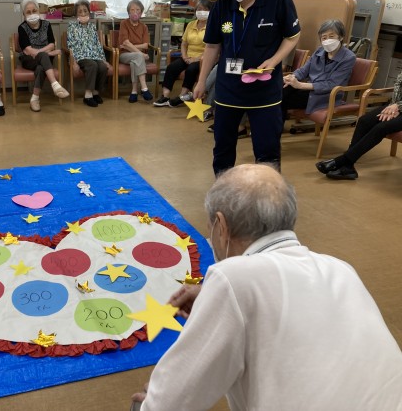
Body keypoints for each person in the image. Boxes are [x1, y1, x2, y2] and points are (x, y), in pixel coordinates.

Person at [132, 164, 402, 411]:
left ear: (221, 227)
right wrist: (217, 297)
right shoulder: (340, 268)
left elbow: (167, 403)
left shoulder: (232, 277)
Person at [193, 0, 301, 175]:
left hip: (265, 91)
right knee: (222, 147)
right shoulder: (222, 5)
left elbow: (292, 36)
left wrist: (274, 61)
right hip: (229, 88)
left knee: (267, 150)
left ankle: (268, 190)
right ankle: (224, 187)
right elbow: (212, 46)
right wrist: (201, 81)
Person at [316, 71, 402, 180]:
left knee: (381, 128)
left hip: (399, 106)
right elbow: (399, 84)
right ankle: (348, 166)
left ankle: (343, 161)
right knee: (364, 121)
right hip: (396, 106)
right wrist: (394, 105)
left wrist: (399, 106)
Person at [282, 19, 355, 123]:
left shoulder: (348, 57)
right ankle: (273, 128)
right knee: (281, 90)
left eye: (331, 36)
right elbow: (303, 70)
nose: (327, 40)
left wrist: (300, 85)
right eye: (324, 37)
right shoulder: (319, 50)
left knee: (281, 99)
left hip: (326, 95)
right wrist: (292, 77)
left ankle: (274, 129)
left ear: (341, 37)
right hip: (309, 89)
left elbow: (332, 84)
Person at [154, 0, 215, 108]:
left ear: (210, 11)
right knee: (171, 67)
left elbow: (211, 49)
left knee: (191, 70)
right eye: (199, 9)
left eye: (205, 9)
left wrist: (197, 59)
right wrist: (184, 56)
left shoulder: (212, 26)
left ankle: (181, 97)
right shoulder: (191, 24)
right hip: (188, 56)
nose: (201, 12)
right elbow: (184, 43)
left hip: (202, 59)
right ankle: (165, 96)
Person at [18, 0, 69, 112]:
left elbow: (52, 44)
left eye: (34, 11)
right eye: (28, 12)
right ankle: (55, 85)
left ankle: (34, 99)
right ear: (24, 15)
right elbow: (28, 50)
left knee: (41, 68)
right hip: (29, 59)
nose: (32, 14)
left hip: (43, 60)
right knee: (43, 57)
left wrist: (43, 52)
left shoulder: (46, 24)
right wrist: (49, 53)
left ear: (39, 11)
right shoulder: (22, 27)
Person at [66, 0, 109, 107]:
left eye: (85, 11)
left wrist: (104, 60)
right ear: (76, 14)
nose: (83, 13)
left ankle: (95, 92)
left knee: (103, 67)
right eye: (80, 11)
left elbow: (97, 44)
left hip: (94, 56)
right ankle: (88, 95)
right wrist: (73, 62)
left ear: (89, 12)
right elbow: (70, 45)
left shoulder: (92, 26)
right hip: (80, 57)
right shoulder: (72, 26)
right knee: (92, 65)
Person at [118, 0, 154, 103]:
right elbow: (125, 43)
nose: (135, 12)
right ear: (128, 12)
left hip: (134, 56)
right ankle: (144, 88)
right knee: (139, 56)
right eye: (132, 10)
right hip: (124, 54)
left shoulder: (144, 27)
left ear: (141, 13)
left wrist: (130, 46)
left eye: (138, 10)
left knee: (135, 62)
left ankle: (134, 91)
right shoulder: (124, 23)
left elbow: (145, 45)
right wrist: (141, 53)